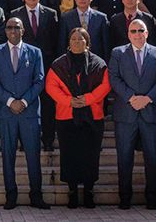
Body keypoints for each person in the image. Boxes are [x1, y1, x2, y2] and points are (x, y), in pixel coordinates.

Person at [0, 18, 48, 209]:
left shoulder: (35, 52)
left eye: (16, 27)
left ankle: (36, 195)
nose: (13, 30)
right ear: (5, 31)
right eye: (9, 27)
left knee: (33, 155)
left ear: (23, 30)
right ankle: (11, 195)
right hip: (6, 112)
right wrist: (10, 101)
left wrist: (24, 101)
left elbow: (39, 80)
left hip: (29, 112)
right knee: (8, 155)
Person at [43, 28, 109, 208]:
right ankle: (72, 191)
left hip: (92, 117)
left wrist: (88, 99)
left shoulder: (99, 63)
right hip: (66, 116)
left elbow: (106, 85)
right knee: (69, 154)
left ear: (87, 43)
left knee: (91, 155)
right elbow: (51, 86)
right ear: (68, 43)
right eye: (73, 39)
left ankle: (88, 191)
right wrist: (69, 101)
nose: (76, 42)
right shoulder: (59, 64)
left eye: (80, 39)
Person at [109, 19, 156, 209]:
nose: (137, 34)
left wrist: (148, 98)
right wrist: (131, 97)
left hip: (151, 112)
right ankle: (125, 198)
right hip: (126, 113)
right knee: (124, 157)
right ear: (128, 34)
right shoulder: (118, 53)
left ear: (147, 33)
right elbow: (114, 78)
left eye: (141, 30)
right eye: (133, 31)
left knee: (153, 157)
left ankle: (152, 198)